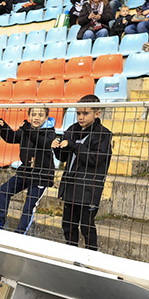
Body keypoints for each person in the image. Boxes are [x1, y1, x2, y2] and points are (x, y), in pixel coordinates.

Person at [53, 96, 112, 251]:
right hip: (70, 187)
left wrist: (73, 146)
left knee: (87, 227)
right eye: (78, 113)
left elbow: (95, 159)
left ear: (97, 113)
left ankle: (90, 256)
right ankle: (72, 254)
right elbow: (63, 158)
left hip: (88, 189)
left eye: (85, 113)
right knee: (68, 225)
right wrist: (57, 148)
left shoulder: (103, 135)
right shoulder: (72, 130)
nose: (80, 117)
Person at [0, 107, 58, 234]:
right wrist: (3, 127)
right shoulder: (26, 128)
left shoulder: (49, 132)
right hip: (26, 171)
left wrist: (28, 129)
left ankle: (20, 233)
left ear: (46, 118)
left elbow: (42, 142)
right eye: (33, 114)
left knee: (29, 205)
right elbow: (12, 137)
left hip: (42, 175)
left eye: (40, 115)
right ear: (29, 117)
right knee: (5, 189)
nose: (36, 117)